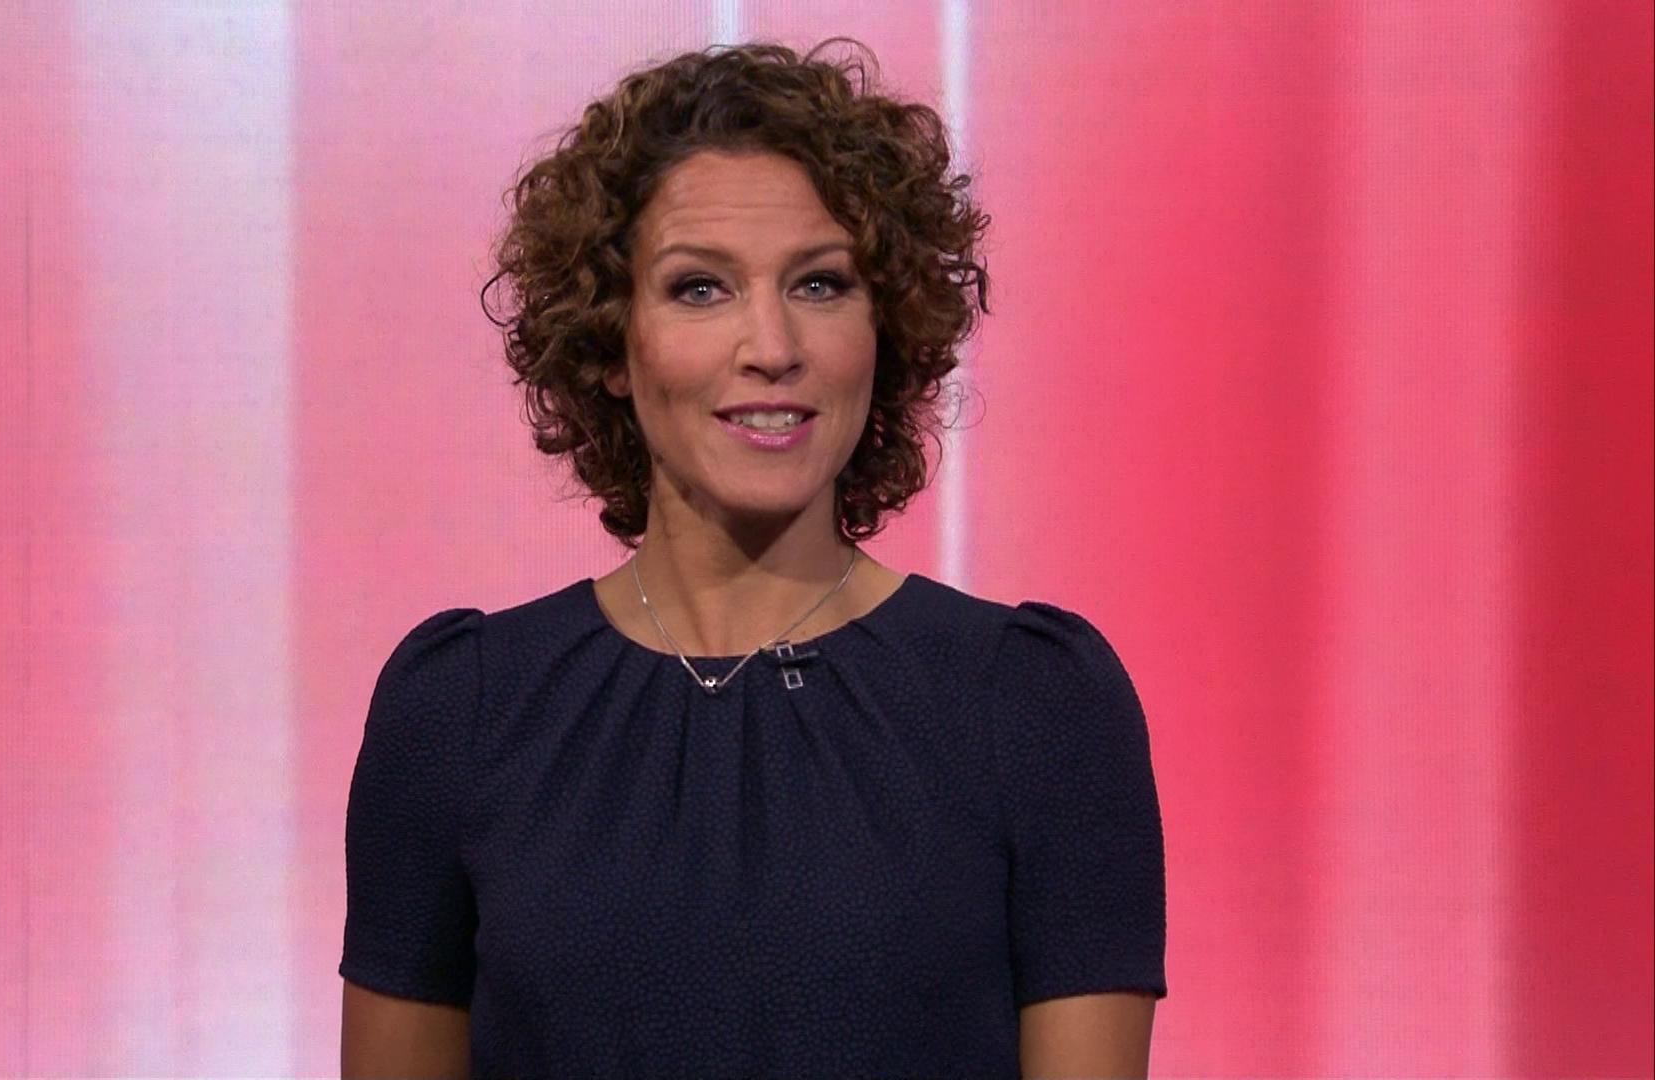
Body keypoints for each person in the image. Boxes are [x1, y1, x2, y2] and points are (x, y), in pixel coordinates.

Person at [340, 39, 1167, 1080]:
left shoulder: (1035, 704)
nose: (772, 345)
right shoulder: (460, 711)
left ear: (886, 327)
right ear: (609, 342)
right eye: (700, 289)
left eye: (821, 284)